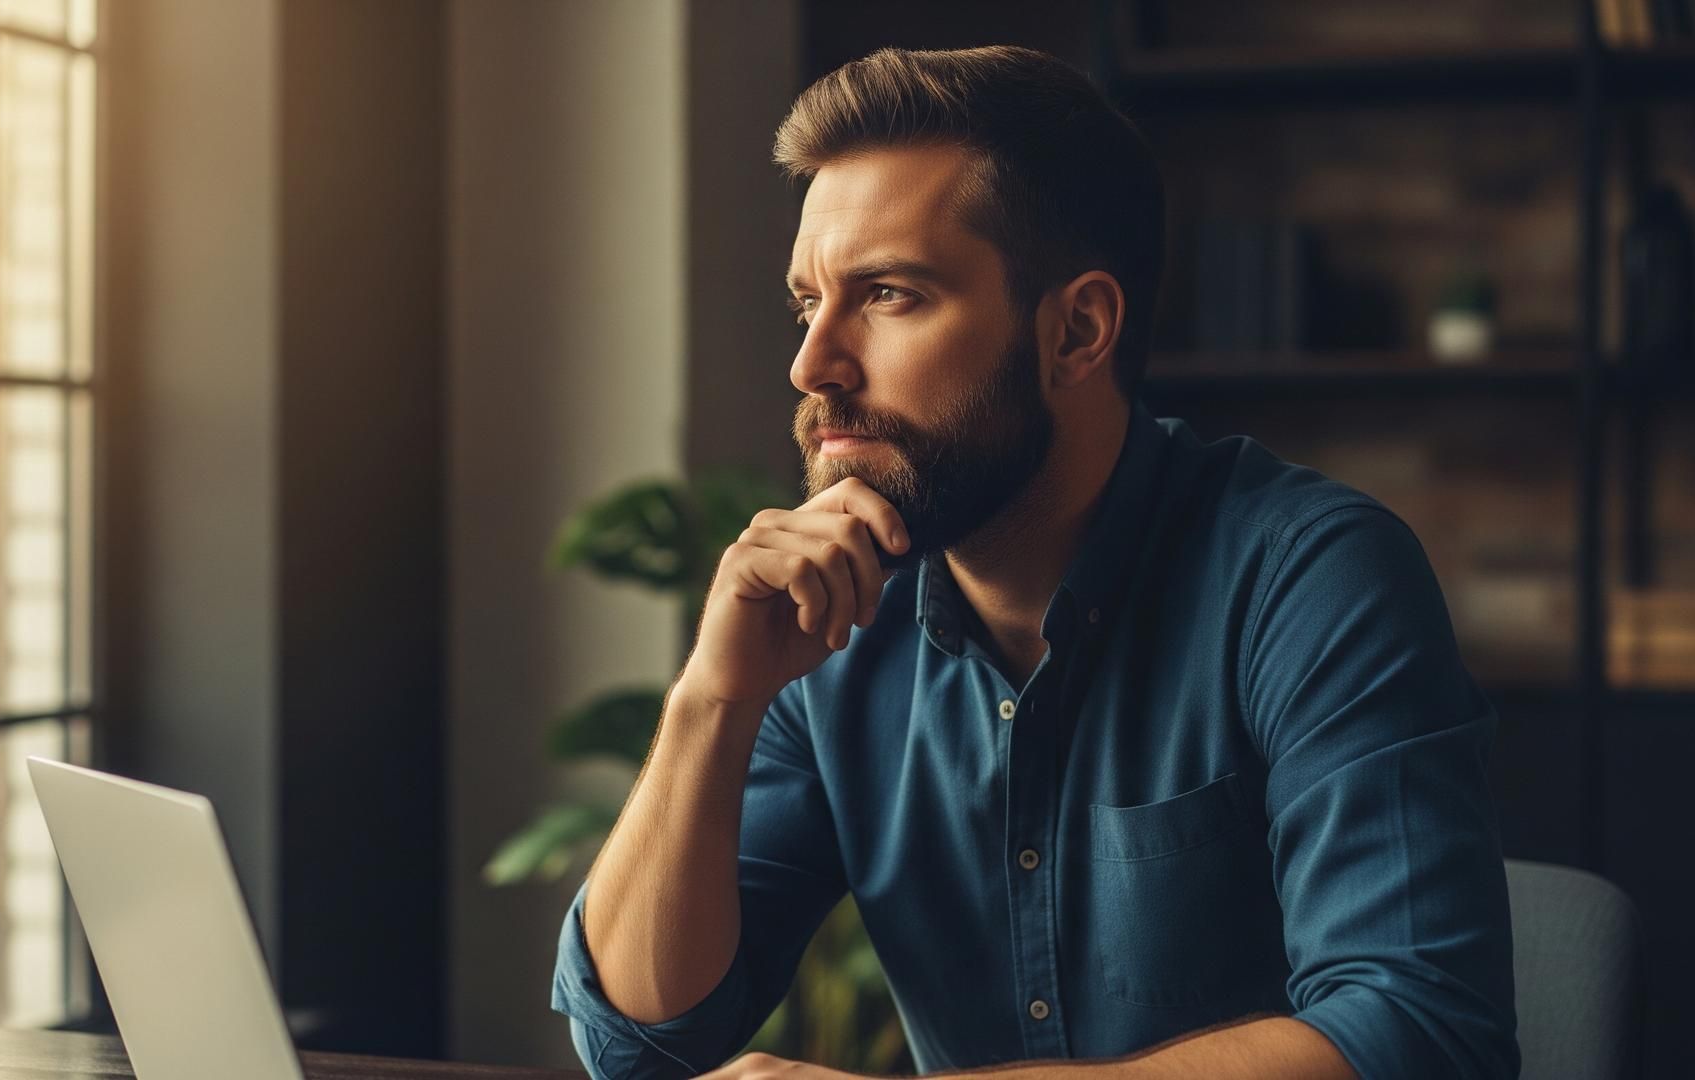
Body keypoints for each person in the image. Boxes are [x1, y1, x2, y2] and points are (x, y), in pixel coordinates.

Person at [552, 45, 1519, 1080]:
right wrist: (712, 697)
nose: (811, 363)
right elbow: (636, 1043)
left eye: (888, 294)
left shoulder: (1309, 579)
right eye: (807, 303)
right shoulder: (833, 615)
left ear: (1076, 332)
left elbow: (1421, 1036)